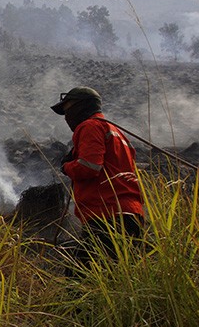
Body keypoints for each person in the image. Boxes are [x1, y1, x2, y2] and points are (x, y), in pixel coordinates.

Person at [51, 86, 144, 270]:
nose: (67, 117)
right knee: (119, 278)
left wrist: (67, 166)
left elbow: (89, 167)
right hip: (131, 214)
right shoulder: (115, 131)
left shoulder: (89, 126)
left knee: (78, 277)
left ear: (81, 107)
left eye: (68, 110)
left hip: (107, 215)